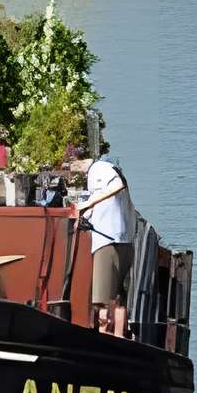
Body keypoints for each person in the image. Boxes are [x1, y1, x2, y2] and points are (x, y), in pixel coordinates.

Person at [78, 138, 140, 339]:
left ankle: (103, 336)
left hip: (107, 241)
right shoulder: (116, 168)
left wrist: (86, 205)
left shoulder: (99, 169)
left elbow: (116, 185)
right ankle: (119, 336)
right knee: (119, 298)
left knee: (102, 301)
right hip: (125, 240)